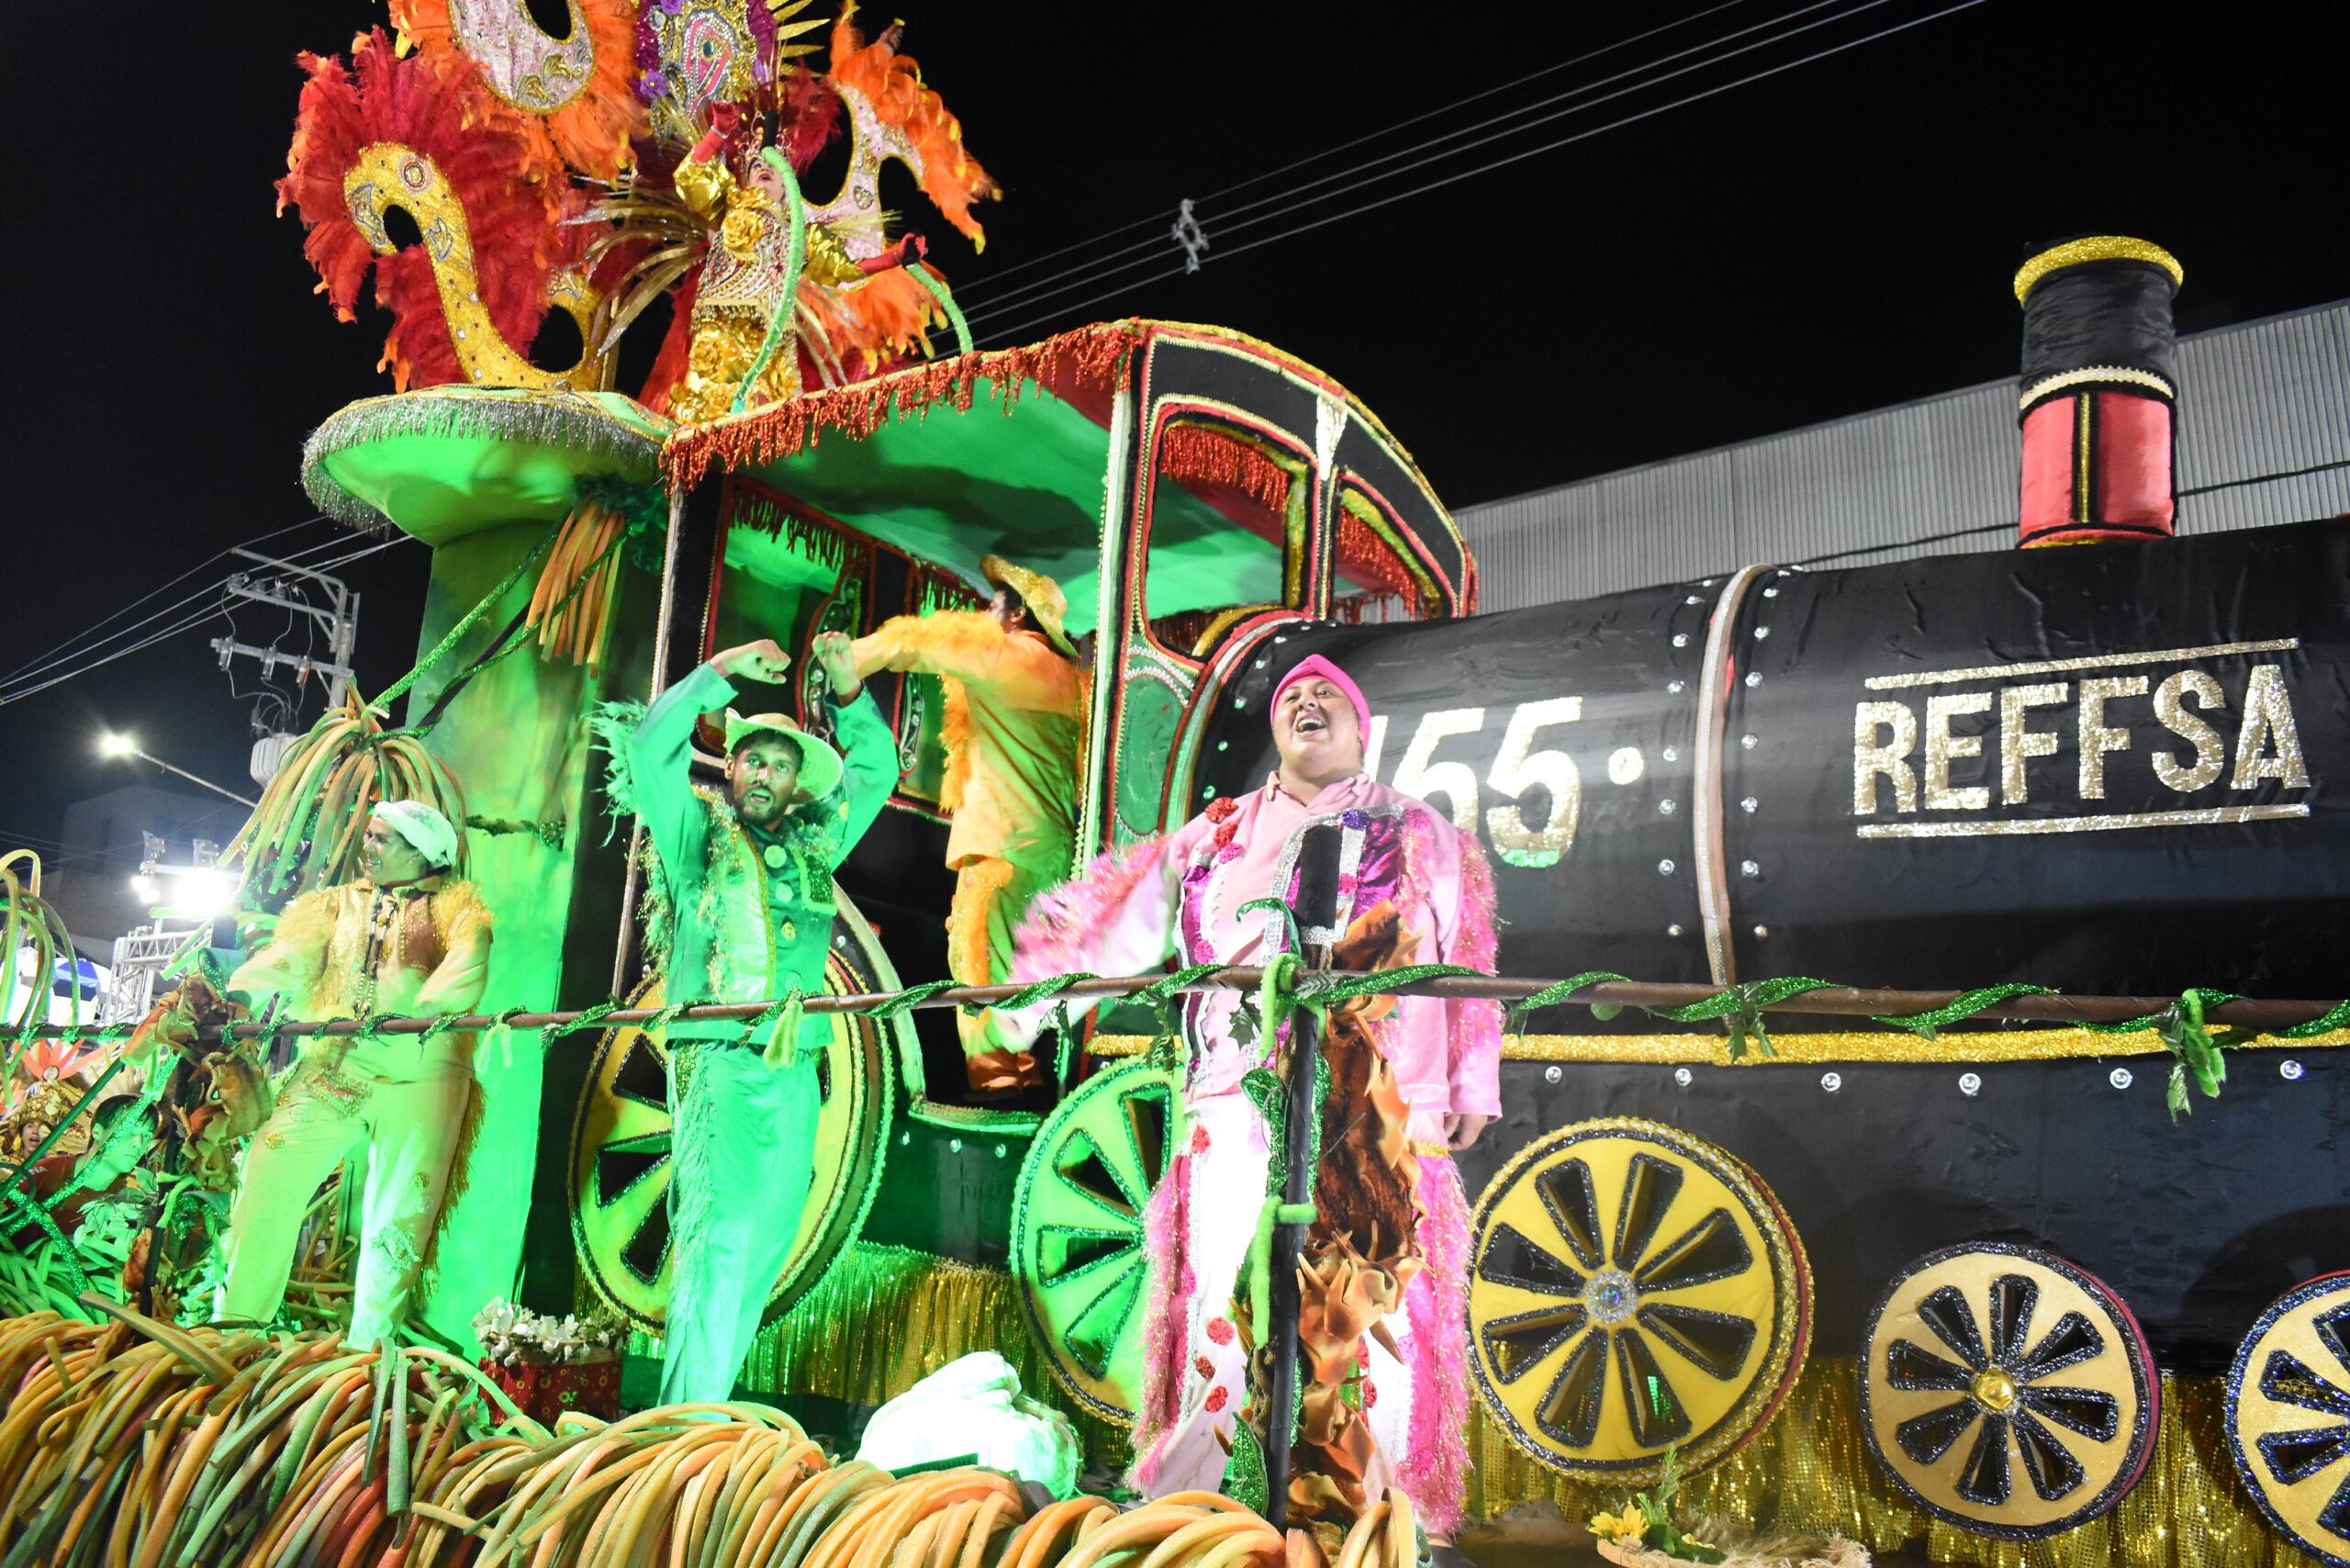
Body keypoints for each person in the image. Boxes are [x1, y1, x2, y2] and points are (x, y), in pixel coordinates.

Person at [1007, 655, 1501, 1536]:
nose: (1306, 702)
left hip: (1372, 1110)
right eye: (1290, 697)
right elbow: (1121, 922)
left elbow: (1464, 957)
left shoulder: (1419, 831)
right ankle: (1202, 1504)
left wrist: (1469, 1078)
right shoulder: (1215, 835)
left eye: (1326, 694)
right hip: (1232, 1101)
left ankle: (1364, 1519)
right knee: (1220, 1299)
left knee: (1364, 1309)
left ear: (1361, 728)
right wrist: (1031, 999)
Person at [610, 632, 895, 1405]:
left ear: (798, 783)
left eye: (780, 765)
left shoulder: (814, 847)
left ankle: (705, 1408)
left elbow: (876, 772)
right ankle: (680, 1424)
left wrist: (849, 690)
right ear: (731, 767)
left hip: (793, 1070)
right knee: (720, 1239)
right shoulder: (696, 837)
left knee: (765, 1242)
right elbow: (648, 747)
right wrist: (722, 670)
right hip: (720, 1063)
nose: (765, 774)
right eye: (753, 760)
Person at [216, 800, 490, 1346]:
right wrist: (237, 993)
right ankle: (235, 1334)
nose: (368, 846)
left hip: (425, 1079)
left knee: (400, 1223)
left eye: (382, 838)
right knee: (268, 1170)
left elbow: (469, 961)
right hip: (335, 1068)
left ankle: (367, 1359)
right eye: (368, 835)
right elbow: (290, 956)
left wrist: (435, 1001)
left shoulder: (457, 909)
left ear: (419, 853)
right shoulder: (335, 905)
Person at [851, 555, 1084, 1093]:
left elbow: (926, 642)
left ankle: (996, 1080)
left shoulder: (1006, 655)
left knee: (977, 961)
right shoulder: (1072, 683)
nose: (984, 614)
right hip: (1051, 849)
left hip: (1001, 842)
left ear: (1017, 614)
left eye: (994, 604)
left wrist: (854, 658)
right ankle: (1020, 1073)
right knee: (1028, 966)